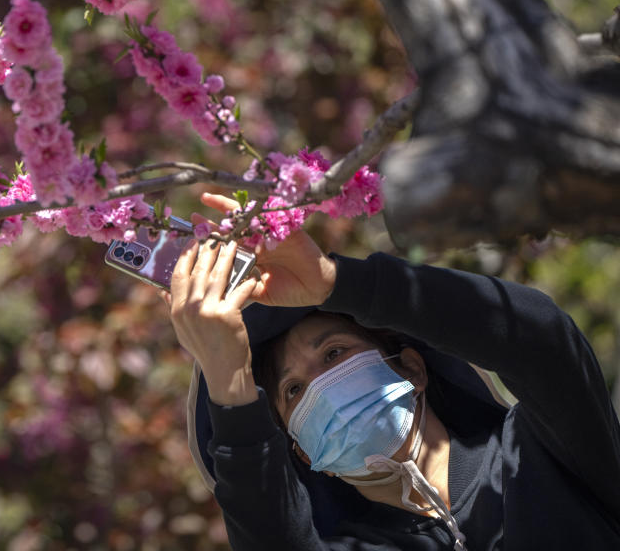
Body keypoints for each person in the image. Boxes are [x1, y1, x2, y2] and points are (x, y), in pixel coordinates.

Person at [164, 192, 620, 550]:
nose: (322, 387)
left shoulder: (541, 452)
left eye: (334, 354)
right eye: (294, 389)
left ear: (411, 368)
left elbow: (541, 338)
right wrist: (229, 380)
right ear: (302, 451)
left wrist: (335, 282)